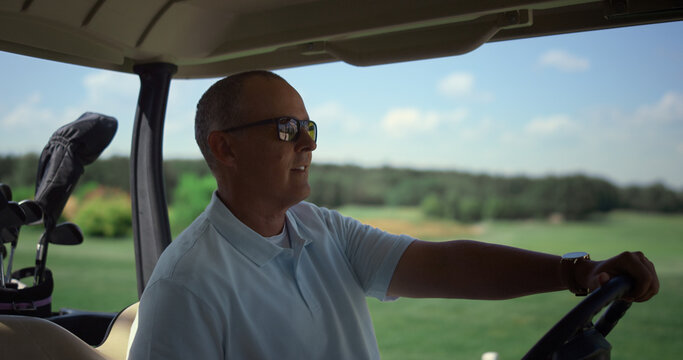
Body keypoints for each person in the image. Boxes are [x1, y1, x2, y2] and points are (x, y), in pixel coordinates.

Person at [128, 70, 659, 359]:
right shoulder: (185, 288)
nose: (307, 146)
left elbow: (445, 266)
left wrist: (577, 272)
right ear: (226, 149)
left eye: (311, 130)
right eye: (288, 130)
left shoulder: (320, 227)